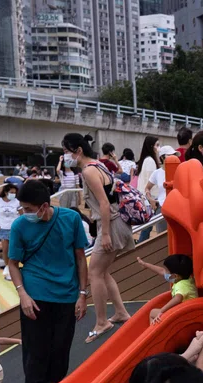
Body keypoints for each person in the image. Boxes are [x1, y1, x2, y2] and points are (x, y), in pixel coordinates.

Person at [7, 180, 88, 383]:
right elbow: (13, 264)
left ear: (44, 206)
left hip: (67, 295)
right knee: (36, 349)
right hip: (35, 295)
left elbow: (81, 258)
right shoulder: (19, 226)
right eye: (23, 208)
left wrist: (82, 294)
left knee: (61, 349)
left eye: (28, 209)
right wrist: (22, 294)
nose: (25, 213)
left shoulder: (71, 219)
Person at [64, 133, 135, 343]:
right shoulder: (99, 165)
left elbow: (104, 203)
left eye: (67, 151)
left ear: (78, 150)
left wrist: (104, 234)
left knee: (94, 272)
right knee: (102, 272)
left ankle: (102, 321)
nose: (65, 156)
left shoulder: (88, 171)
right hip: (116, 222)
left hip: (111, 224)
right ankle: (120, 312)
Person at [136, 253, 198, 324]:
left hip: (184, 315)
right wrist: (145, 264)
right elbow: (161, 271)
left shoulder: (181, 285)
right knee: (155, 312)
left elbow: (178, 298)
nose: (165, 273)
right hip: (187, 312)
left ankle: (154, 332)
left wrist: (162, 310)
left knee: (152, 313)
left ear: (175, 276)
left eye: (167, 271)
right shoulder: (187, 279)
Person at [139, 145, 176, 243]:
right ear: (163, 157)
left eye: (175, 155)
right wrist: (151, 200)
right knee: (162, 237)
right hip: (162, 207)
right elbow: (147, 188)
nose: (174, 157)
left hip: (176, 207)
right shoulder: (157, 173)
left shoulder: (178, 170)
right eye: (170, 155)